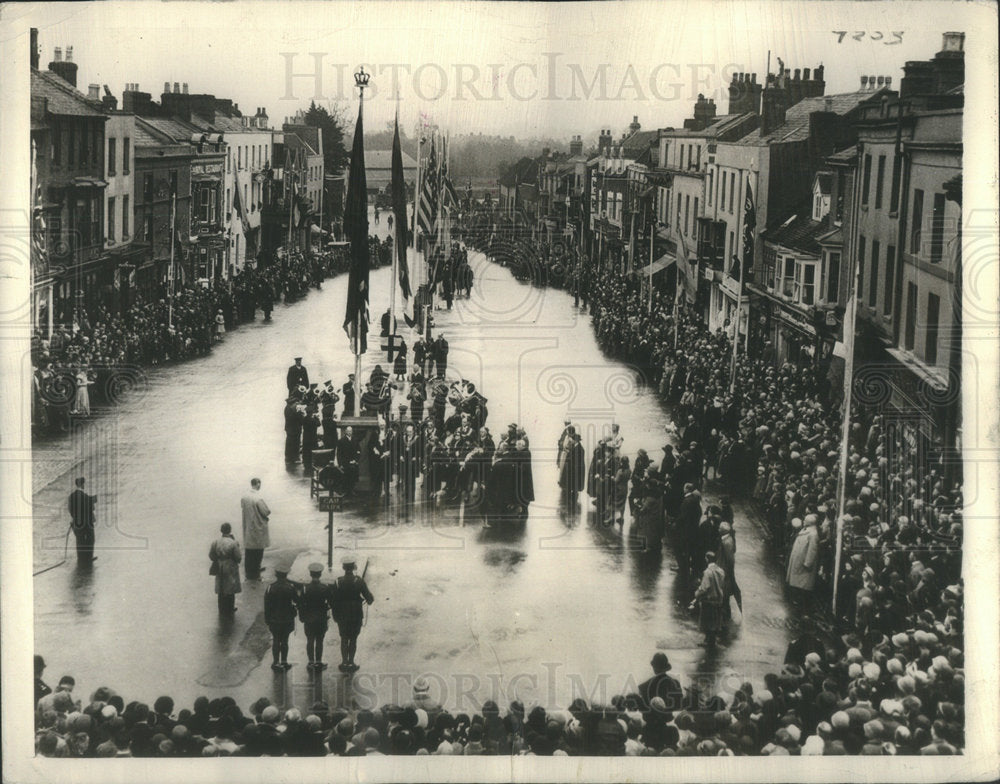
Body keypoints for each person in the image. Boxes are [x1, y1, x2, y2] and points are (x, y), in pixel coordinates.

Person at [330, 556, 374, 672]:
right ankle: (351, 662)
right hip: (355, 615)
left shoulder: (338, 582)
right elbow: (369, 598)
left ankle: (344, 662)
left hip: (342, 615)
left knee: (344, 638)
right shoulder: (358, 581)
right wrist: (368, 600)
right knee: (353, 639)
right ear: (353, 567)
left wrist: (335, 615)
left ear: (343, 568)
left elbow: (332, 600)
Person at [264, 563, 299, 671]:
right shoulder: (290, 588)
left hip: (274, 619)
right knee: (285, 641)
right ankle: (284, 662)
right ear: (286, 575)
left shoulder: (270, 588)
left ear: (276, 574)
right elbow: (297, 601)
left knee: (276, 639)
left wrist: (267, 619)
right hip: (287, 618)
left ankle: (275, 662)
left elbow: (267, 605)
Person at [298, 563, 332, 670]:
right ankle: (318, 662)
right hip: (321, 619)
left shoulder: (305, 589)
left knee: (310, 640)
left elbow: (300, 604)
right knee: (319, 641)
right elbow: (330, 602)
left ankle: (310, 663)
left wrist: (302, 617)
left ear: (310, 574)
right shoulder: (324, 588)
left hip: (309, 619)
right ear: (320, 574)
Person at [690, 551, 726, 648]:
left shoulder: (707, 572)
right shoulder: (721, 571)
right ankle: (711, 640)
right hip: (718, 599)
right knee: (715, 621)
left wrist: (697, 594)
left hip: (709, 600)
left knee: (707, 621)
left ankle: (708, 642)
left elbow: (705, 588)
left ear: (707, 559)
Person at [786, 513, 820, 608]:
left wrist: (808, 563)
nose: (803, 521)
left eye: (805, 520)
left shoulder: (813, 534)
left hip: (803, 562)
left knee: (802, 583)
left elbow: (812, 550)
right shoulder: (805, 530)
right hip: (798, 560)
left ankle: (800, 602)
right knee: (798, 581)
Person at [240, 478, 271, 580]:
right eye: (259, 484)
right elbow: (266, 512)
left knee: (249, 551)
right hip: (258, 527)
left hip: (248, 526)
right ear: (257, 484)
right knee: (258, 551)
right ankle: (256, 573)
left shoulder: (244, 497)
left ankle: (249, 572)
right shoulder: (258, 497)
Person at [209, 523, 242, 615]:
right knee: (230, 588)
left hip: (220, 565)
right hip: (230, 566)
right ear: (230, 530)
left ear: (221, 530)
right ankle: (229, 608)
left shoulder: (216, 542)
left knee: (221, 587)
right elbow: (238, 557)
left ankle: (221, 608)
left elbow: (211, 555)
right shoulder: (233, 542)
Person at [637, 653, 682, 717]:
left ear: (654, 667)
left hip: (651, 721)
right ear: (666, 668)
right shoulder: (676, 684)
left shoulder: (644, 687)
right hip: (669, 719)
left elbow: (643, 709)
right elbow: (679, 706)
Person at [67, 476, 97, 563]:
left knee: (79, 540)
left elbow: (70, 509)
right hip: (87, 522)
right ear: (83, 485)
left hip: (77, 522)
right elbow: (91, 508)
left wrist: (74, 517)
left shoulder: (71, 496)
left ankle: (80, 558)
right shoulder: (85, 496)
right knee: (90, 539)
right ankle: (88, 558)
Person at [558, 431, 586, 509]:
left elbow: (576, 460)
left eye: (572, 440)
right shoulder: (577, 447)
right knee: (573, 485)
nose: (571, 441)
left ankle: (573, 502)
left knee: (574, 485)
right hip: (574, 469)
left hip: (575, 470)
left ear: (575, 440)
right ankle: (572, 500)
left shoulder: (579, 449)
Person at [337, 427, 360, 495]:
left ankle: (351, 489)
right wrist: (340, 464)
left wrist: (356, 460)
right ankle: (345, 490)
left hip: (353, 462)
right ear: (346, 432)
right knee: (345, 477)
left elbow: (358, 450)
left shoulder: (355, 440)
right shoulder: (341, 441)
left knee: (353, 476)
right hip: (345, 462)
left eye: (351, 431)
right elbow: (339, 453)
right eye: (348, 431)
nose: (349, 432)